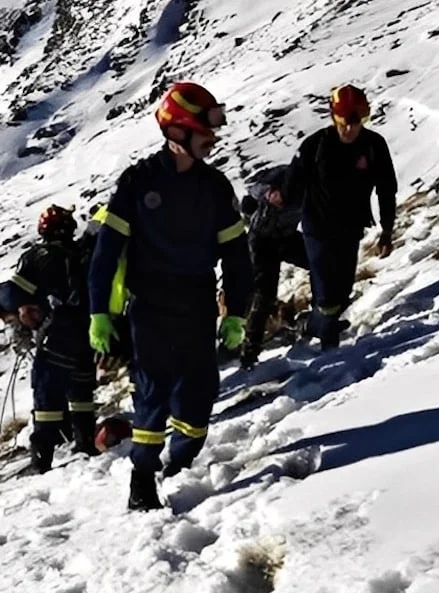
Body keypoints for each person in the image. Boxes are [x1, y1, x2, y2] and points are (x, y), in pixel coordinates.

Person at [87, 81, 254, 511]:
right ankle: (142, 478)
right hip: (149, 309)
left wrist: (236, 313)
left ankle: (181, 460)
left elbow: (237, 258)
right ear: (177, 131)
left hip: (197, 306)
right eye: (205, 131)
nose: (213, 140)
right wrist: (98, 314)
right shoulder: (138, 182)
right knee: (152, 394)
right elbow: (105, 255)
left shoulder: (216, 188)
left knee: (198, 399)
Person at [281, 84, 398, 348]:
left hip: (351, 228)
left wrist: (387, 230)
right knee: (327, 290)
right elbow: (291, 185)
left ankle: (311, 324)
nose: (350, 129)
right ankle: (329, 346)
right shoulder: (315, 146)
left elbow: (386, 188)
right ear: (334, 117)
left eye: (358, 122)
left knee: (343, 290)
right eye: (345, 122)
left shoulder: (374, 146)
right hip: (317, 227)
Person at [0, 205, 99, 473]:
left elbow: (11, 295)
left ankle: (41, 460)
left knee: (46, 398)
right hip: (88, 335)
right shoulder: (85, 253)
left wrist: (14, 307)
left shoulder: (39, 257)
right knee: (82, 394)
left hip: (55, 336)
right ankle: (85, 443)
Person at [236, 164, 309, 369]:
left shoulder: (318, 184)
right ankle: (250, 351)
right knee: (264, 294)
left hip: (287, 236)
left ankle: (319, 318)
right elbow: (251, 186)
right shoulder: (284, 173)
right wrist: (269, 192)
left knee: (322, 265)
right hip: (262, 240)